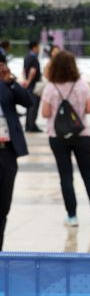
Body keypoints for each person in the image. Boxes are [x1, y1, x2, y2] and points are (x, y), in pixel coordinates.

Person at [40, 50, 90, 227]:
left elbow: (45, 112)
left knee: (65, 177)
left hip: (57, 136)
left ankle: (72, 216)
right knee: (88, 175)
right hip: (82, 135)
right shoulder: (81, 84)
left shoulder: (50, 86)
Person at [0, 62, 33, 248]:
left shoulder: (7, 85)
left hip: (6, 151)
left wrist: (11, 82)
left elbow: (28, 102)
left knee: (3, 205)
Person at [22, 40, 43, 132]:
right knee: (34, 106)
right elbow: (33, 71)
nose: (39, 49)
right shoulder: (34, 58)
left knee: (29, 106)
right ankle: (32, 126)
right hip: (33, 85)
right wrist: (29, 81)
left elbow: (24, 70)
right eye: (38, 47)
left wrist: (25, 81)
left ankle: (28, 125)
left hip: (28, 85)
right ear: (34, 47)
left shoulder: (26, 57)